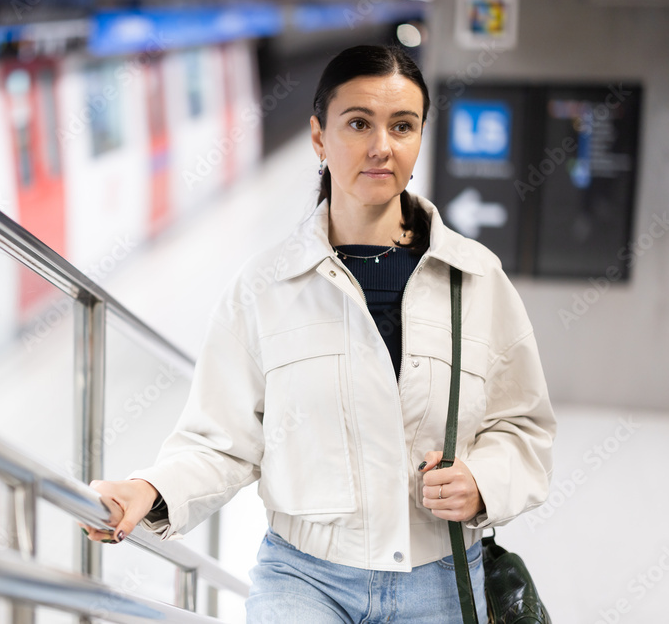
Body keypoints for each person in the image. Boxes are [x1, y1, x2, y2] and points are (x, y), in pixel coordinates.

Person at [79, 44, 556, 623]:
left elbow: (523, 424)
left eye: (402, 125)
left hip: (440, 577)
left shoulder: (476, 279)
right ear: (318, 137)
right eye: (358, 123)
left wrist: (483, 481)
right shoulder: (264, 287)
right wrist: (147, 491)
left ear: (419, 138)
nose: (381, 145)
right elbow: (221, 440)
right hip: (304, 575)